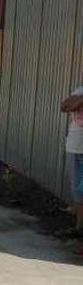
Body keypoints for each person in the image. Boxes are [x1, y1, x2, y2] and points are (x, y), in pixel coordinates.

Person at [58, 84, 83, 240]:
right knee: (78, 191)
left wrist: (77, 103)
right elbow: (65, 106)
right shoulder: (81, 90)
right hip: (75, 148)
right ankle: (79, 228)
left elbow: (72, 105)